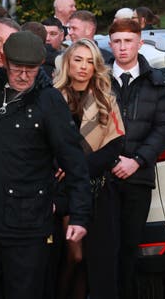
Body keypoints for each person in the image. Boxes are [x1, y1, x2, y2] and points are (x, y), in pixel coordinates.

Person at [0, 31, 91, 299]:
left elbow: (75, 162)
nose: (22, 76)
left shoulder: (49, 102)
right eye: (17, 69)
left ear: (40, 65)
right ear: (4, 62)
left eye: (30, 70)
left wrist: (79, 214)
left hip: (27, 226)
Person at [54, 39, 125, 299]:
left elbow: (114, 146)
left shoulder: (106, 100)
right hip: (63, 191)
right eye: (78, 60)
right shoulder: (52, 97)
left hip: (97, 189)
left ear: (96, 67)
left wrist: (75, 167)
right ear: (68, 63)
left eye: (89, 62)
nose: (83, 67)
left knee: (93, 261)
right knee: (73, 254)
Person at [107, 19, 165, 299]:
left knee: (130, 248)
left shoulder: (157, 82)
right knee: (104, 248)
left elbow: (162, 127)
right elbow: (85, 125)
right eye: (118, 42)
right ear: (111, 44)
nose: (123, 47)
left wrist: (136, 160)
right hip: (103, 177)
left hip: (138, 177)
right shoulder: (98, 78)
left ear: (139, 43)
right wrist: (107, 161)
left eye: (128, 41)